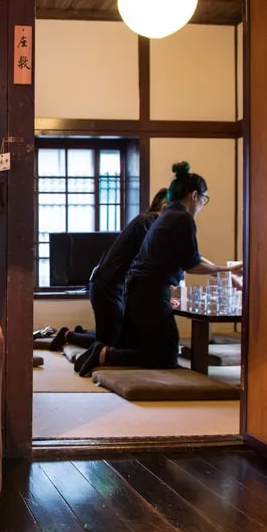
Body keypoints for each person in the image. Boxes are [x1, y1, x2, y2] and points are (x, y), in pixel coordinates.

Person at [76, 161, 243, 377]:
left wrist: (224, 272)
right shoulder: (183, 219)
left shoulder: (167, 215)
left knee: (143, 346)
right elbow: (192, 264)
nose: (203, 204)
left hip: (137, 289)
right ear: (194, 196)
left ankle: (105, 352)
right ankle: (105, 354)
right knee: (167, 355)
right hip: (150, 293)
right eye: (205, 199)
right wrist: (226, 272)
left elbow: (191, 257)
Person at [49, 187, 169, 353]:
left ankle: (76, 333)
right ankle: (68, 335)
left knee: (116, 337)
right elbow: (149, 258)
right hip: (107, 287)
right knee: (111, 343)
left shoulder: (146, 221)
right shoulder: (146, 223)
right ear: (164, 208)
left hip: (108, 285)